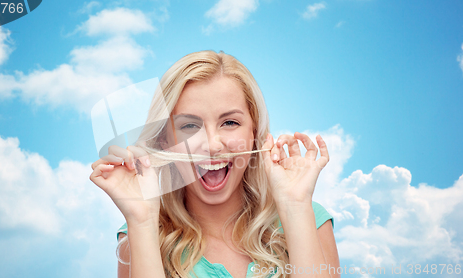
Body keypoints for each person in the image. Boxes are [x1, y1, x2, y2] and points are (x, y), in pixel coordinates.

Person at [90, 50, 340, 278]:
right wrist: (142, 222)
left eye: (230, 122)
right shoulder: (138, 231)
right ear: (164, 141)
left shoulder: (310, 217)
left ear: (254, 131)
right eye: (189, 126)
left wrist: (295, 207)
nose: (212, 145)